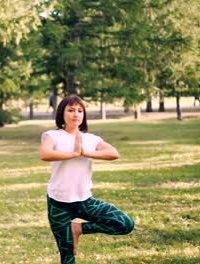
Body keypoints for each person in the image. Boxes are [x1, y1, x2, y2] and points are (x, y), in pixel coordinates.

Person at [39, 94, 134, 264]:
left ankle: (78, 228)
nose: (76, 114)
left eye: (80, 111)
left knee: (125, 224)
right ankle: (71, 233)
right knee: (67, 257)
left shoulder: (91, 139)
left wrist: (85, 152)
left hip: (85, 202)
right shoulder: (53, 135)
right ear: (62, 114)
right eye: (71, 110)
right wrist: (72, 154)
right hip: (58, 204)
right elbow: (45, 154)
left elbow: (113, 153)